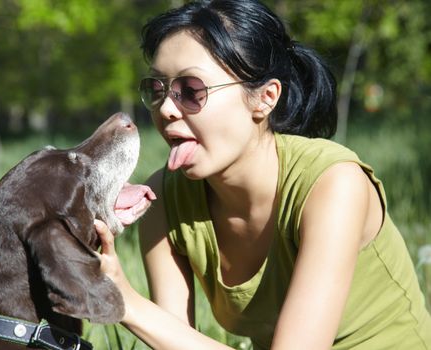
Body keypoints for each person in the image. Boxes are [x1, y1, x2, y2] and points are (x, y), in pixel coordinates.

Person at [94, 1, 431, 349]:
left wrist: (126, 303)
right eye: (157, 89)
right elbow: (171, 339)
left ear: (265, 98)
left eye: (191, 91)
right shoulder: (163, 199)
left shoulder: (333, 183)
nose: (165, 108)